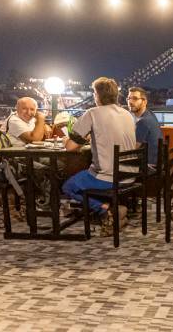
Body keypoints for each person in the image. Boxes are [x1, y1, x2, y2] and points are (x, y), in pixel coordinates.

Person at [61, 77, 136, 235]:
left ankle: (106, 210)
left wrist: (65, 139)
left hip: (108, 178)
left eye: (94, 93)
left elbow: (71, 147)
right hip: (129, 176)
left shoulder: (93, 113)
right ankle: (114, 211)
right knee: (86, 176)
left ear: (98, 95)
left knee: (68, 186)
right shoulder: (127, 114)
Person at [126, 87, 163, 166]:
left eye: (135, 98)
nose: (130, 102)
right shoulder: (150, 113)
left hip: (149, 167)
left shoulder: (143, 121)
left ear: (144, 102)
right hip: (156, 163)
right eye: (129, 98)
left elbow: (132, 149)